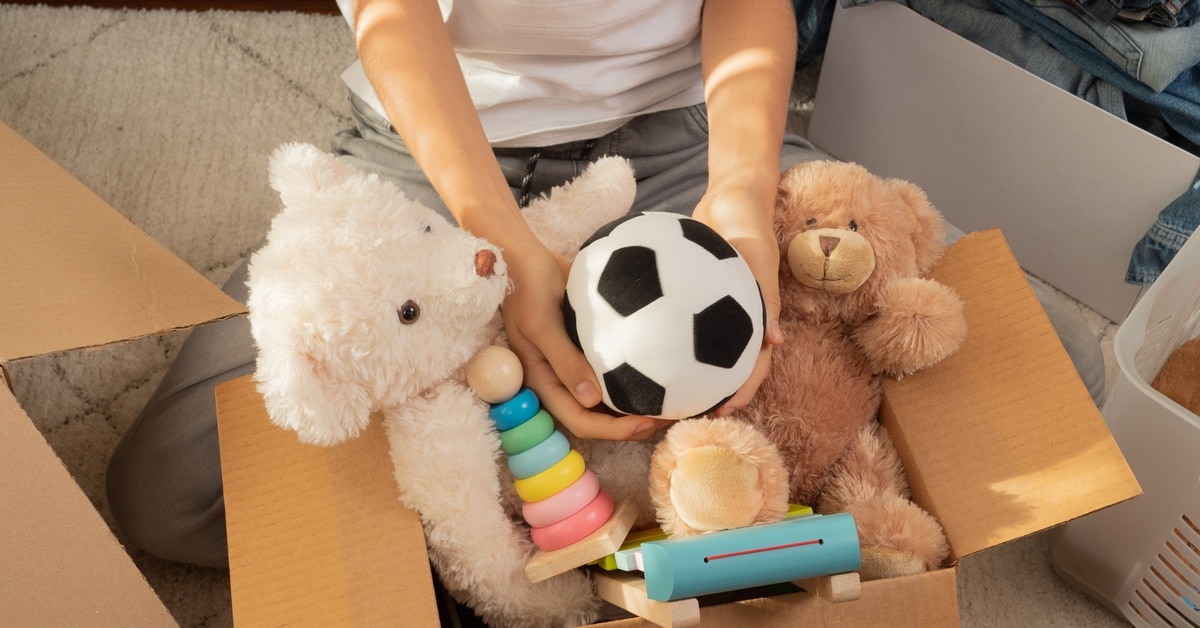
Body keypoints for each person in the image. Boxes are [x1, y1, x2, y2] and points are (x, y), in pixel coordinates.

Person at [107, 1, 1106, 603]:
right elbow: (393, 21)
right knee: (171, 487)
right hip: (430, 159)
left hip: (674, 136)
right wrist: (499, 241)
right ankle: (535, 522)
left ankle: (608, 504)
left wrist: (743, 203)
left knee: (1017, 371)